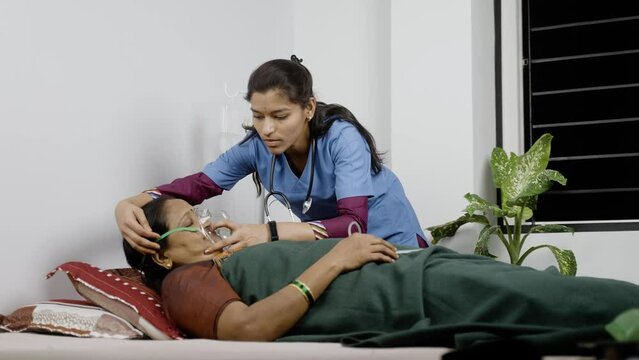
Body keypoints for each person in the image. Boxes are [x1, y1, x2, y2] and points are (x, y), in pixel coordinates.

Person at [124, 197, 639, 356]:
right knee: (574, 301)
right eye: (192, 224)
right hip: (411, 293)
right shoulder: (183, 283)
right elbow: (245, 329)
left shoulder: (223, 258)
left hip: (419, 271)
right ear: (162, 255)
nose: (208, 224)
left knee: (564, 296)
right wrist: (335, 259)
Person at [116, 55, 427, 257]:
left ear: (308, 108)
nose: (267, 129)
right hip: (344, 252)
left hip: (395, 242)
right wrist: (129, 203)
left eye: (280, 115)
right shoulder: (257, 147)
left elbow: (353, 225)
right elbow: (198, 186)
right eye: (258, 116)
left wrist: (269, 232)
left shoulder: (342, 138)